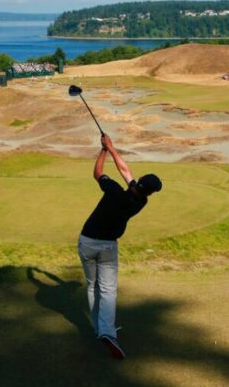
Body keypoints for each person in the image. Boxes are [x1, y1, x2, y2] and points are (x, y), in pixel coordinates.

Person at [79, 134, 162, 360]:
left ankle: (99, 329)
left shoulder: (114, 190)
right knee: (107, 290)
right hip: (107, 247)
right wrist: (112, 148)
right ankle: (106, 332)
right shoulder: (141, 201)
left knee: (91, 285)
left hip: (86, 241)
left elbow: (97, 173)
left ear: (140, 182)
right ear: (149, 192)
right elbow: (126, 172)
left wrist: (104, 151)